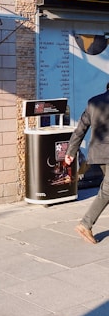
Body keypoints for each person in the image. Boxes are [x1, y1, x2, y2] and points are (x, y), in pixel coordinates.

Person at [65, 82, 109, 244]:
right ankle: (85, 224)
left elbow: (81, 129)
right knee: (107, 191)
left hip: (98, 154)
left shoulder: (93, 102)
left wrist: (70, 152)